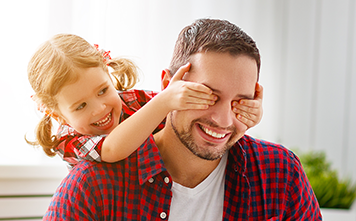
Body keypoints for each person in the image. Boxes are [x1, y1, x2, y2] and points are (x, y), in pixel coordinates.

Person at [27, 19, 334, 221]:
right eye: (208, 96)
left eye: (240, 101)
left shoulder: (278, 170)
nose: (223, 119)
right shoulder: (91, 184)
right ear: (169, 85)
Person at [27, 33, 263, 169]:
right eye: (80, 106)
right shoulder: (69, 140)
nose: (100, 108)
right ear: (58, 115)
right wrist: (164, 101)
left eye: (102, 91)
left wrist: (242, 114)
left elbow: (185, 118)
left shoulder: (133, 101)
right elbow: (111, 149)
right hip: (113, 210)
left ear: (109, 74)